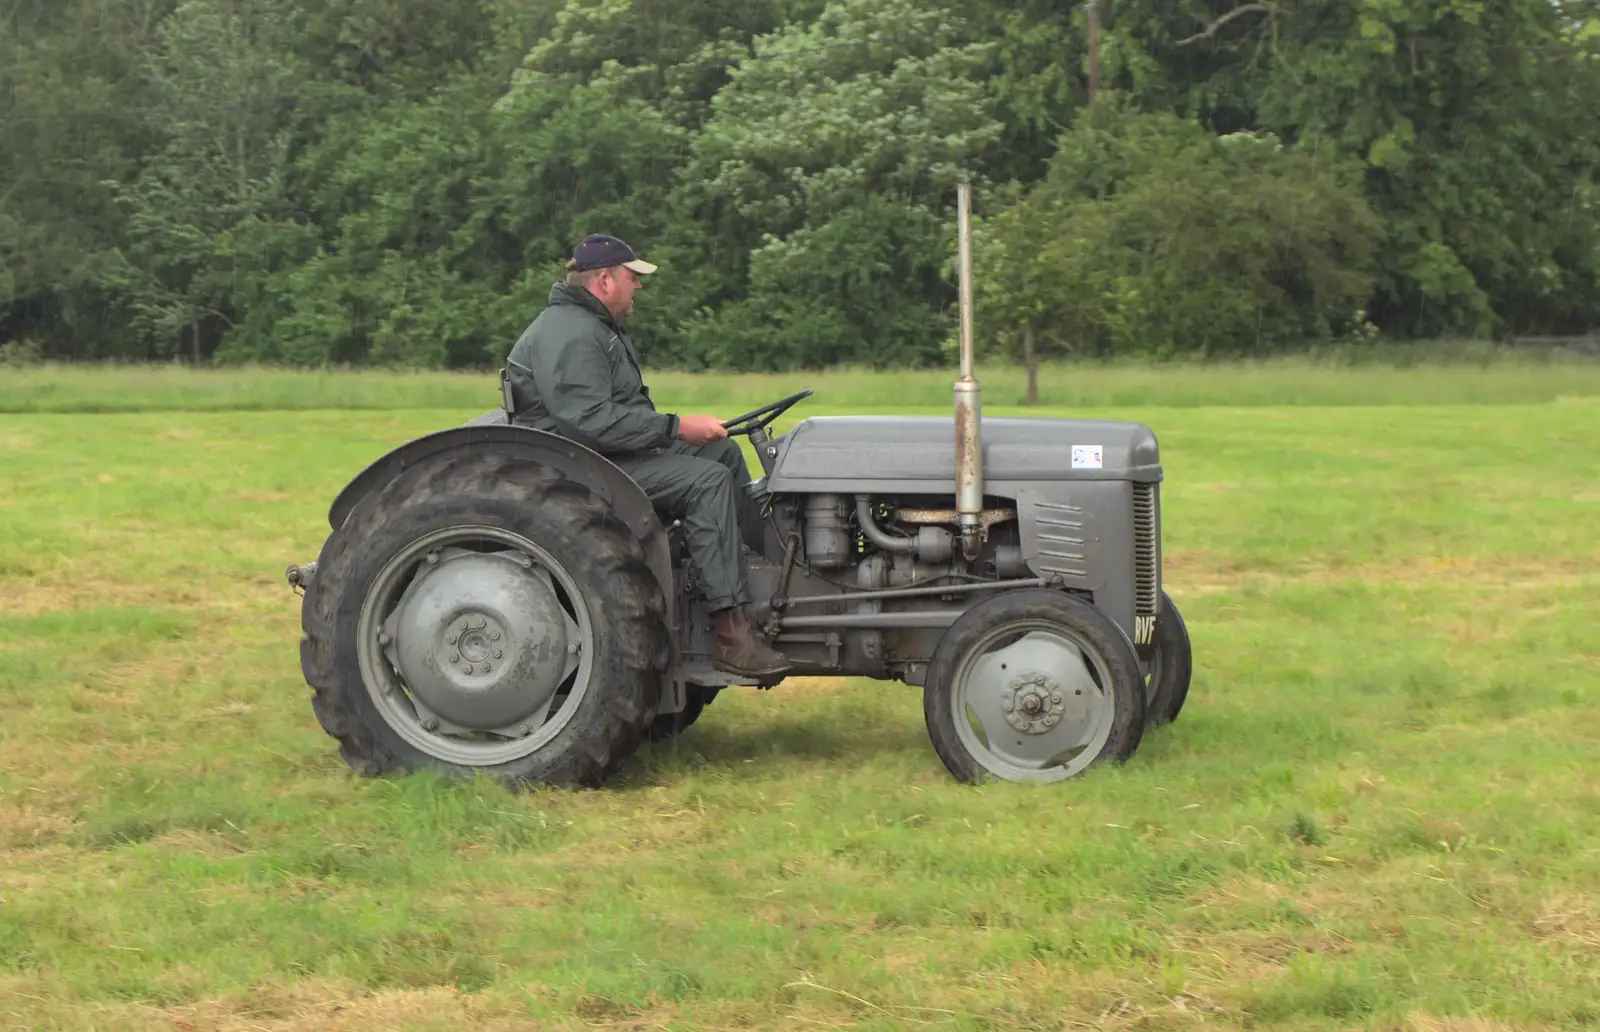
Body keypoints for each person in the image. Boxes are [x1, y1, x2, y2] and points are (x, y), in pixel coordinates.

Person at [502, 233, 790, 678]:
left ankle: (771, 578)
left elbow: (613, 414)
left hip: (603, 451)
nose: (638, 287)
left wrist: (684, 432)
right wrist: (676, 427)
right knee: (706, 481)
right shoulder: (572, 334)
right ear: (603, 281)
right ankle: (732, 634)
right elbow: (592, 422)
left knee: (722, 451)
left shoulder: (591, 325)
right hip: (584, 466)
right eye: (632, 278)